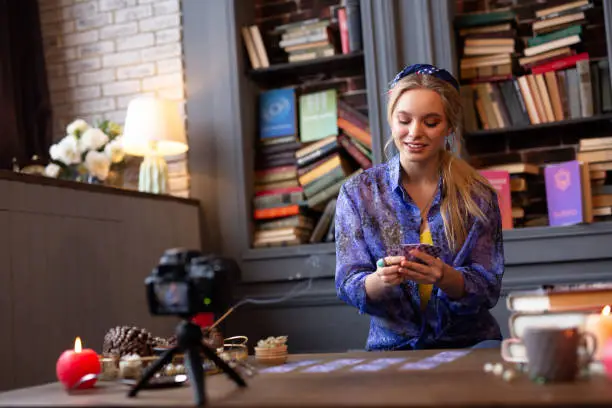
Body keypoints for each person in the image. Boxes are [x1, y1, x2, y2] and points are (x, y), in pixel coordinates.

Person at [334, 63, 504, 351]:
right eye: (404, 120)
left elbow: (488, 289)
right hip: (392, 350)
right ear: (391, 121)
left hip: (469, 347)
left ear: (449, 126)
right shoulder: (357, 194)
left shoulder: (479, 196)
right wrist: (380, 280)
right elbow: (348, 284)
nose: (415, 132)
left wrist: (447, 277)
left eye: (431, 122)